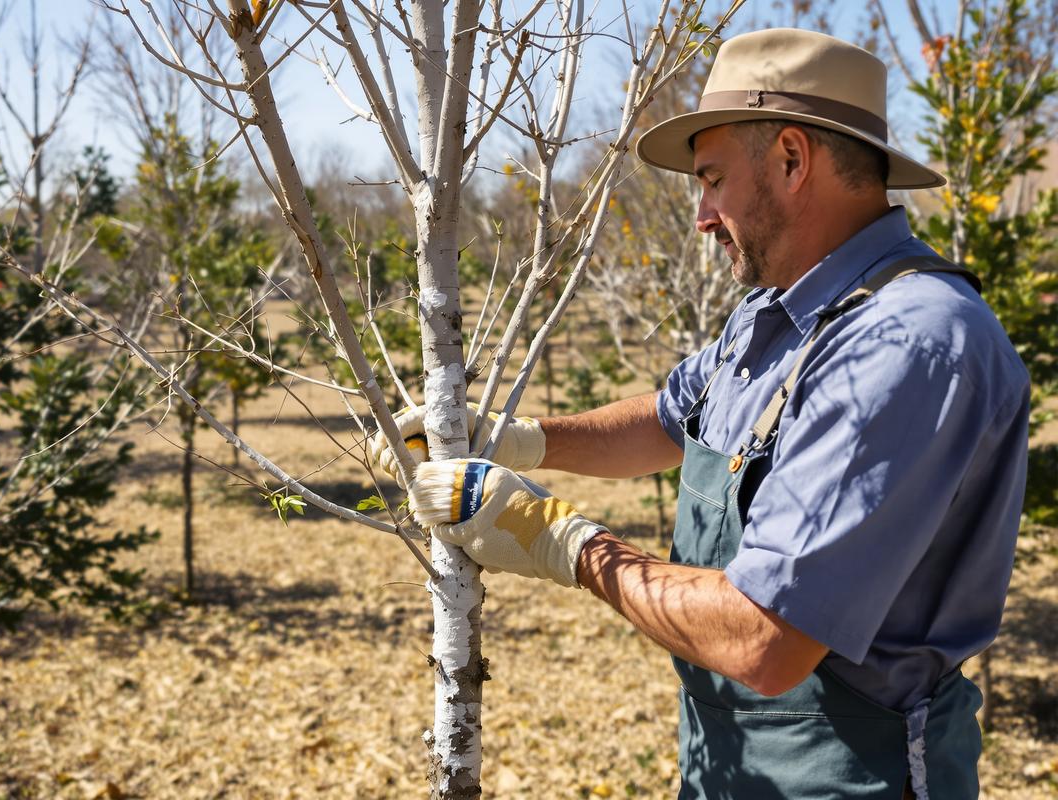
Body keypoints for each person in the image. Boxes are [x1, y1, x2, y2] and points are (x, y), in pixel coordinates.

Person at [371, 28, 1030, 800]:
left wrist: (562, 543)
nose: (702, 216)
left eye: (712, 179)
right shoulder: (777, 314)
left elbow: (765, 639)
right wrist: (520, 440)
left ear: (792, 158)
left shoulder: (903, 344)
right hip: (735, 765)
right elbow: (670, 420)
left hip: (854, 778)